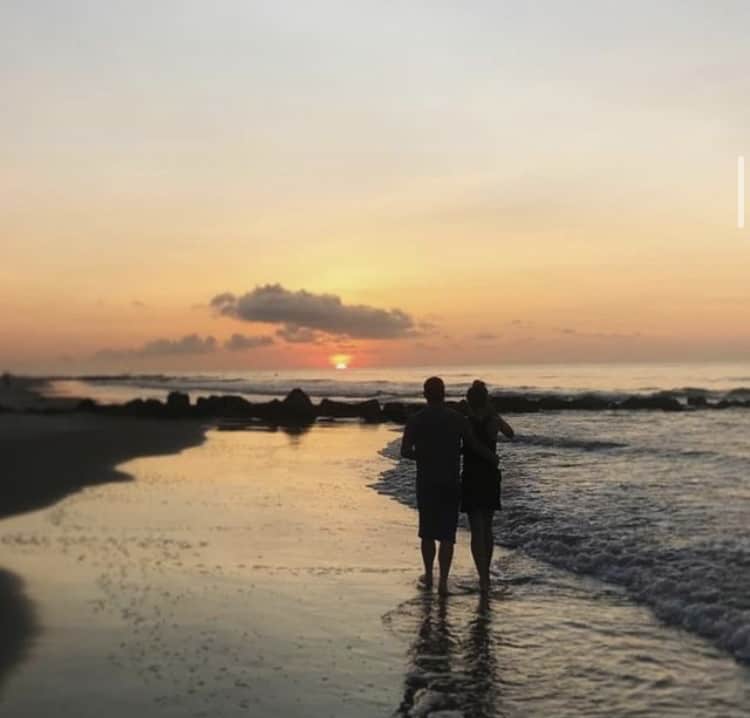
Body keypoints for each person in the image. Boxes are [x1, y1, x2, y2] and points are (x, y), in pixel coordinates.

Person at [400, 377, 499, 596]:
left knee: (427, 531)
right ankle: (443, 581)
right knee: (447, 533)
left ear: (425, 394)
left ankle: (429, 576)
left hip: (426, 480)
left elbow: (405, 451)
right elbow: (473, 445)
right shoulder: (457, 419)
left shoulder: (416, 420)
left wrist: (424, 456)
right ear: (443, 394)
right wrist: (491, 457)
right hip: (451, 481)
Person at [461, 380, 514, 594]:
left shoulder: (465, 422)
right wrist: (495, 415)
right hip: (490, 475)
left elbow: (462, 444)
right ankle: (487, 575)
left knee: (476, 529)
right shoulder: (494, 420)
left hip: (472, 474)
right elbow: (511, 433)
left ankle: (482, 576)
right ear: (486, 399)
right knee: (488, 527)